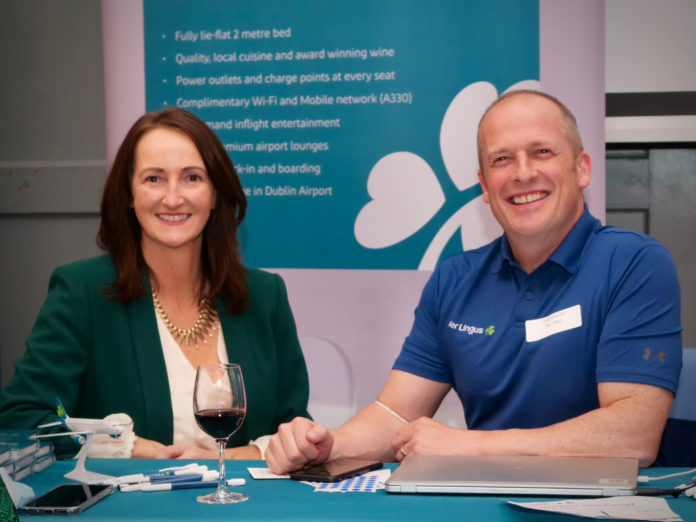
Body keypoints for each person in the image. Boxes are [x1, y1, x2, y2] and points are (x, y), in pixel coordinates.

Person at [265, 90, 683, 474]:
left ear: (582, 168)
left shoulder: (634, 263)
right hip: (484, 503)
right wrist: (329, 444)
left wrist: (469, 446)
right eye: (502, 159)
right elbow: (395, 415)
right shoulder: (454, 278)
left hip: (603, 506)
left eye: (542, 151)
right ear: (484, 185)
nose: (523, 173)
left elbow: (634, 435)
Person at [0, 107, 310, 459]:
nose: (173, 198)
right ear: (129, 195)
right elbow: (23, 417)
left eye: (192, 177)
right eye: (154, 179)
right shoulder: (82, 291)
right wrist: (131, 448)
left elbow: (294, 429)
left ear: (215, 193)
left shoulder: (265, 295)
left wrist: (230, 459)